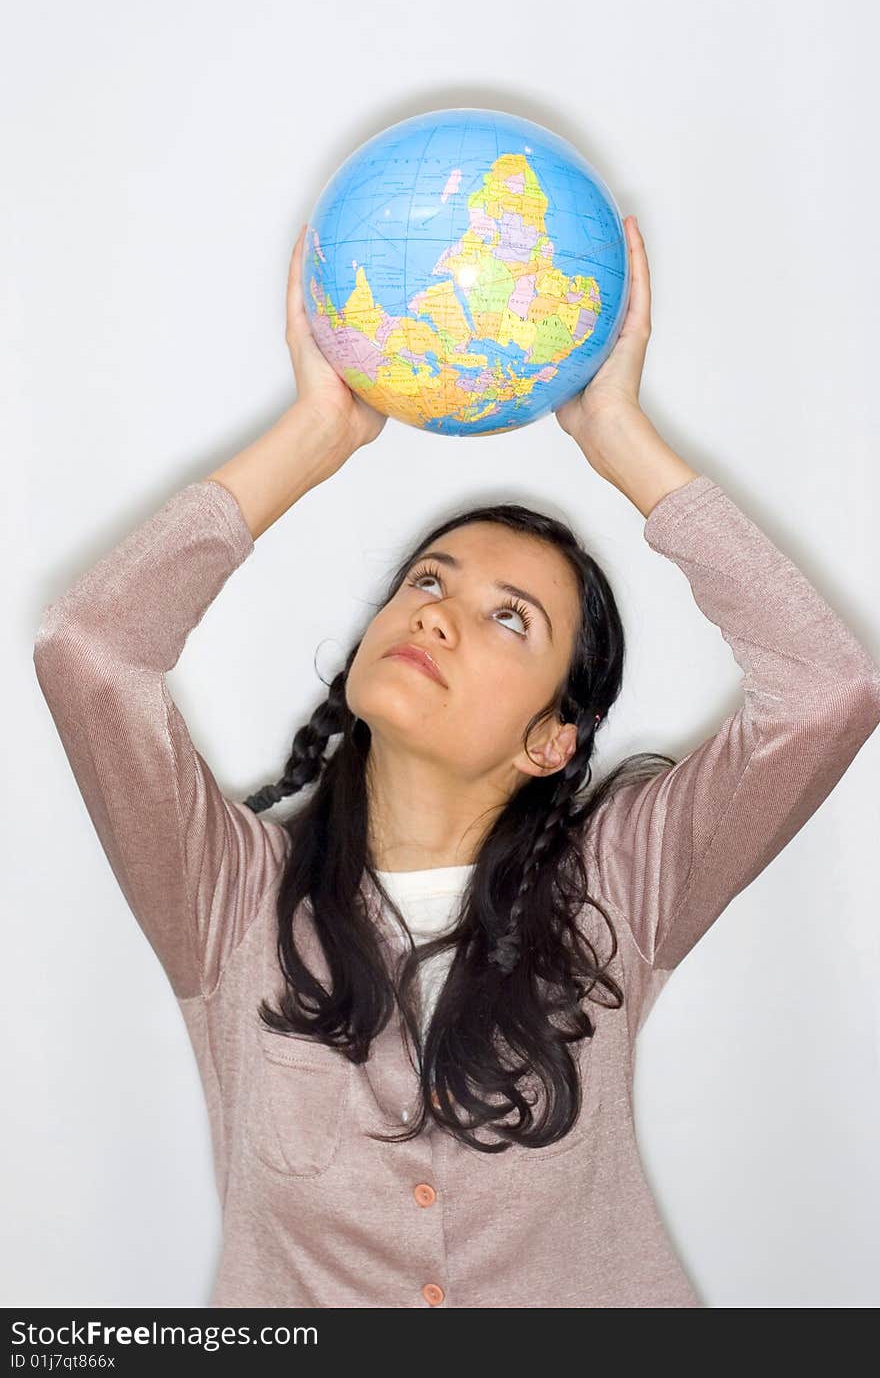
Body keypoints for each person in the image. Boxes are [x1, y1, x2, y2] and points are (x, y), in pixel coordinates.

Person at [33, 217, 880, 1308]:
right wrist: (315, 436)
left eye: (508, 619)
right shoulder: (226, 901)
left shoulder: (615, 890)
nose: (438, 616)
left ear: (550, 741)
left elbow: (826, 690)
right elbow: (88, 649)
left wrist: (615, 433)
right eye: (428, 581)